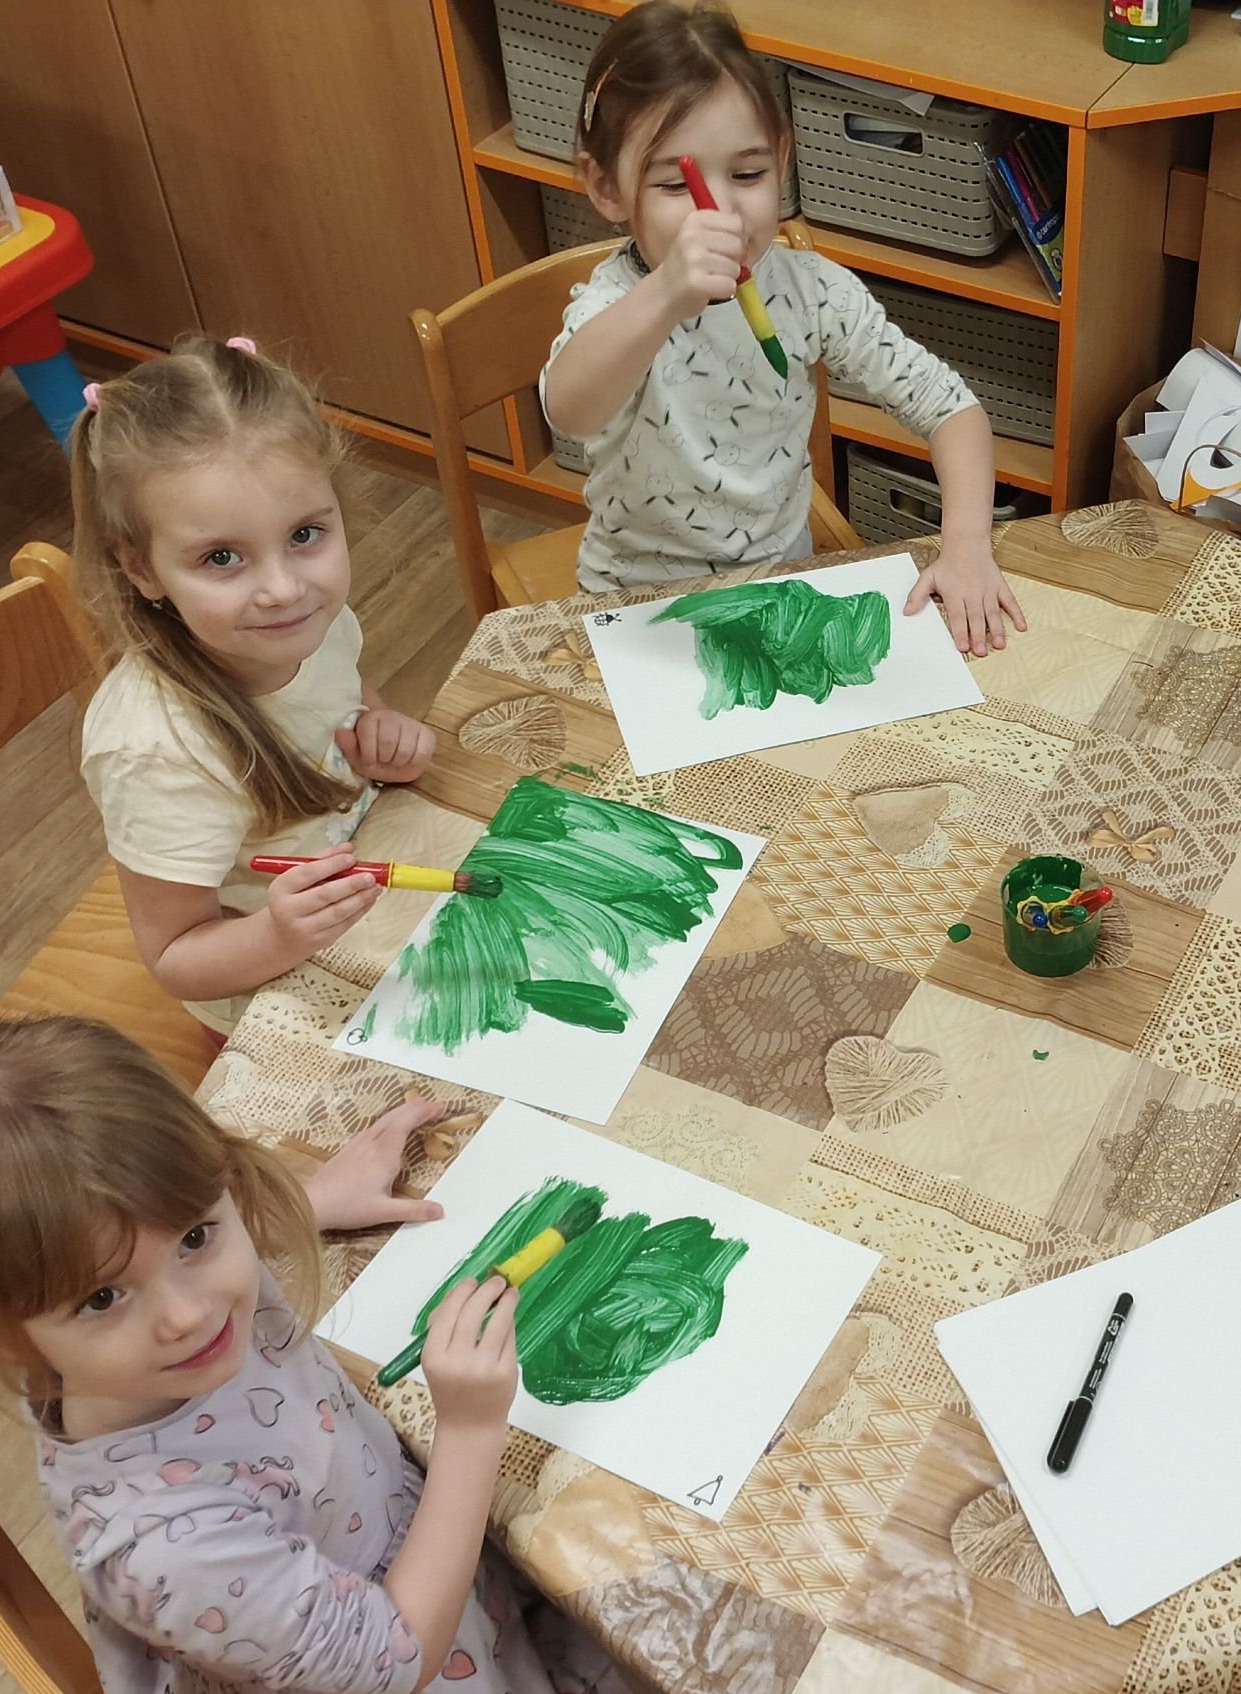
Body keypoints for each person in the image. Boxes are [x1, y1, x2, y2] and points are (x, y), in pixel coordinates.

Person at [0, 1016, 648, 1694]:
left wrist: (309, 1201)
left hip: (406, 1588)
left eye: (196, 1235)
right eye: (102, 1299)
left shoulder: (148, 1319)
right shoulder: (164, 1546)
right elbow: (398, 1654)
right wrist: (467, 1431)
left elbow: (152, 1238)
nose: (188, 1313)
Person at [542, 0, 1027, 653]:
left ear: (783, 158)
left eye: (748, 174)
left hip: (779, 585)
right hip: (635, 605)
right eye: (676, 186)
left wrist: (967, 544)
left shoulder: (810, 290)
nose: (722, 214)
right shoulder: (616, 303)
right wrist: (663, 298)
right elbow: (570, 410)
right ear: (606, 188)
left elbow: (952, 410)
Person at [70, 335, 438, 1039]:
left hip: (369, 890)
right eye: (221, 558)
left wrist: (383, 732)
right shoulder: (154, 751)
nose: (283, 589)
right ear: (141, 569)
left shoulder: (309, 624)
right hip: (262, 990)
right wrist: (277, 934)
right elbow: (175, 958)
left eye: (304, 535)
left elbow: (348, 696)